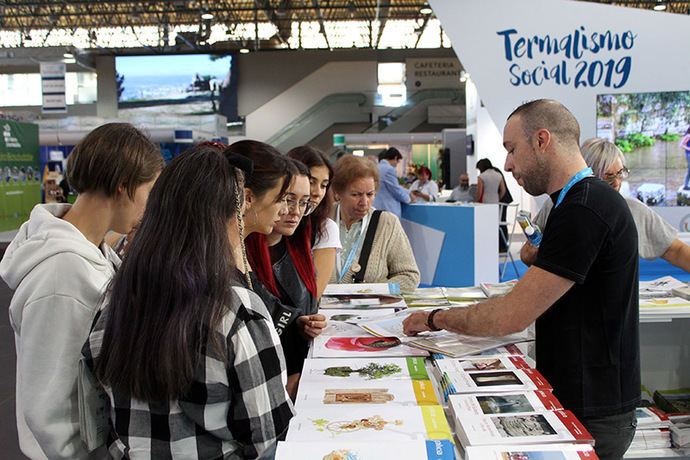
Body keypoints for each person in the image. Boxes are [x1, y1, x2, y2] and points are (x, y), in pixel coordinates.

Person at [403, 100, 640, 460]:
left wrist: (435, 319)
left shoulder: (584, 208)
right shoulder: (573, 202)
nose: (508, 164)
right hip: (579, 397)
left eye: (512, 149)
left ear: (542, 140)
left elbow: (510, 316)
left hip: (593, 410)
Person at [82, 144, 294, 459]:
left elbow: (100, 405)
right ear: (232, 214)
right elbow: (265, 436)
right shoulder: (236, 310)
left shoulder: (115, 298)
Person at [0, 123, 164, 459]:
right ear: (124, 186)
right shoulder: (62, 272)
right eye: (150, 192)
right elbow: (49, 405)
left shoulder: (94, 253)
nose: (150, 207)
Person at [521, 137, 690, 273]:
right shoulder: (555, 206)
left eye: (620, 173)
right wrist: (528, 256)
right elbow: (531, 252)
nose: (616, 182)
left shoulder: (633, 210)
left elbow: (675, 250)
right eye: (608, 176)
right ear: (587, 173)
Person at [246, 159, 326, 399]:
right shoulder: (240, 256)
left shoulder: (299, 249)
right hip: (270, 387)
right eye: (287, 200)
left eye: (304, 203)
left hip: (299, 377)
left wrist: (302, 325)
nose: (294, 211)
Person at [330, 155, 420, 293]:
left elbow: (410, 277)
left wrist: (370, 291)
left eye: (370, 194)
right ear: (338, 193)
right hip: (321, 311)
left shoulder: (387, 223)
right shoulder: (320, 221)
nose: (364, 202)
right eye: (356, 195)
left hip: (371, 310)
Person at [287, 145, 340, 299]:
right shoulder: (268, 222)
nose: (317, 192)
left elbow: (312, 299)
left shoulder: (325, 228)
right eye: (311, 182)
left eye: (324, 185)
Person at [372, 147, 415, 218]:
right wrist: (408, 199)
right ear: (395, 158)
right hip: (388, 210)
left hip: (377, 207)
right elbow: (395, 190)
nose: (396, 165)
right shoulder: (389, 169)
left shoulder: (376, 167)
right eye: (398, 162)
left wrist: (408, 192)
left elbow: (394, 186)